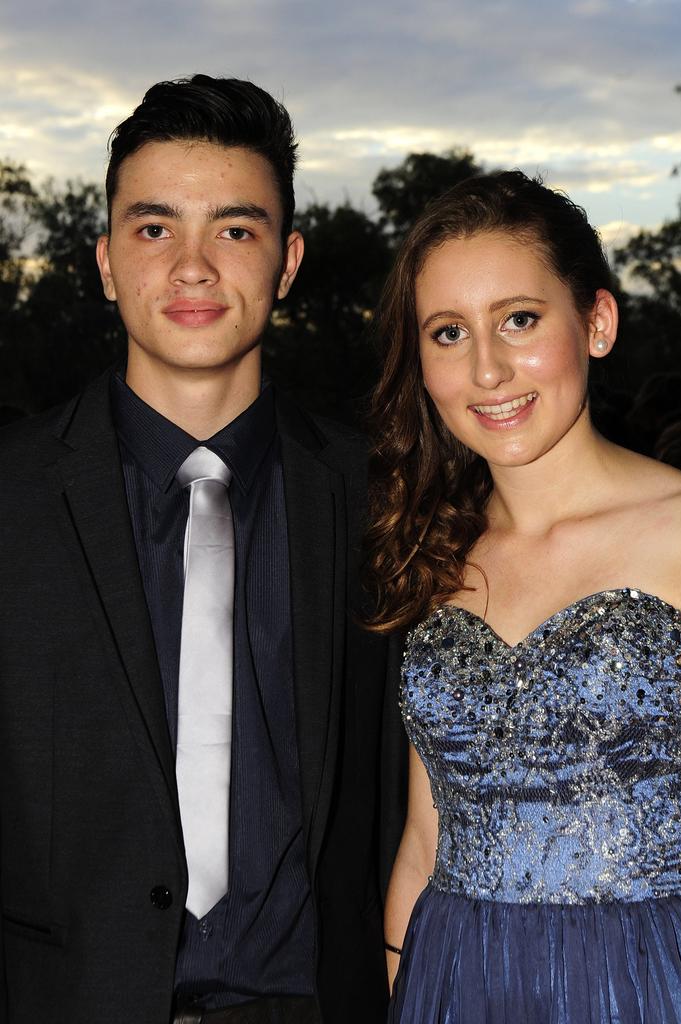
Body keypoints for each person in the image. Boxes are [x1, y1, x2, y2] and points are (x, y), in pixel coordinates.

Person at [0, 75, 405, 1023]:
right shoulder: (9, 498)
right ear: (103, 262)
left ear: (289, 261)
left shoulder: (381, 500)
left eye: (234, 229)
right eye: (153, 229)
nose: (192, 266)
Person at [364, 170, 681, 1022]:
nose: (487, 368)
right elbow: (424, 840)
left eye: (519, 319)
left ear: (597, 321)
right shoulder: (435, 552)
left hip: (655, 987)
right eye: (447, 332)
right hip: (453, 984)